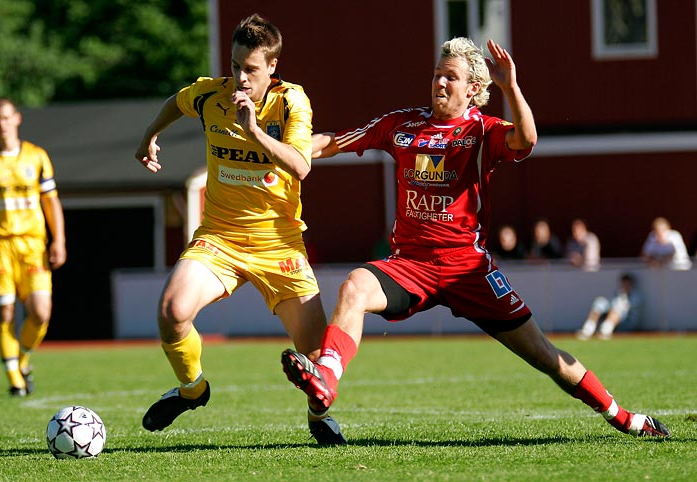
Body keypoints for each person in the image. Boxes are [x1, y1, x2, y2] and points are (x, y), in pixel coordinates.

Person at [280, 37, 670, 441]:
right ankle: (325, 378)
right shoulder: (401, 125)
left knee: (544, 355)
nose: (440, 83)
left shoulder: (482, 131)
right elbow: (331, 141)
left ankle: (623, 417)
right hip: (410, 265)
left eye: (452, 77)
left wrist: (511, 88)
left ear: (473, 90)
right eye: (437, 75)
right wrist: (277, 150)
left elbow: (527, 139)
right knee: (354, 286)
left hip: (467, 269)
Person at [134, 14, 344, 445]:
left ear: (272, 66)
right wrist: (150, 136)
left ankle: (318, 418)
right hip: (219, 237)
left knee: (318, 355)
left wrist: (253, 132)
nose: (240, 78)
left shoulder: (292, 103)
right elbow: (177, 101)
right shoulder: (213, 95)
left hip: (278, 243)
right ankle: (193, 390)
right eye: (235, 66)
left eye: (250, 69)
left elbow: (301, 165)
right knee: (171, 313)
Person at [0, 97, 67, 397]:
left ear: (17, 119)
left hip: (32, 245)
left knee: (40, 312)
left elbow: (51, 201)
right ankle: (15, 379)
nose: (1, 124)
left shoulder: (36, 156)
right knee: (6, 314)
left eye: (5, 117)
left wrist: (59, 240)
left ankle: (22, 359)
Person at [576, 273, 641, 340]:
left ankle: (605, 332)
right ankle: (587, 331)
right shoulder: (619, 293)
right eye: (623, 283)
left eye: (627, 284)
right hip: (612, 321)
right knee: (600, 302)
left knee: (618, 306)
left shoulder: (636, 296)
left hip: (627, 325)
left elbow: (627, 311)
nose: (625, 286)